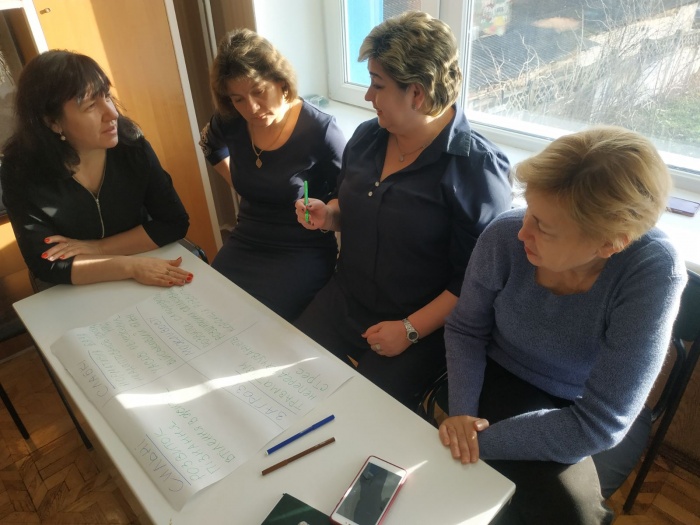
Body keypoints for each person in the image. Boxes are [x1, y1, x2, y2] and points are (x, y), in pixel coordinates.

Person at [439, 126, 687, 524]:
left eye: (544, 226)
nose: (522, 231)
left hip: (580, 404)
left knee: (573, 515)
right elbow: (466, 329)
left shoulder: (653, 273)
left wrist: (480, 443)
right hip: (501, 373)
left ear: (610, 244)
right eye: (528, 210)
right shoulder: (505, 235)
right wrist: (462, 415)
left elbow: (600, 422)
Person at [294, 11, 512, 408]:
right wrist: (330, 214)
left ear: (417, 94)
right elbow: (354, 206)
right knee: (293, 377)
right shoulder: (368, 137)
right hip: (346, 299)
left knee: (362, 413)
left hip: (419, 325)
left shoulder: (476, 169)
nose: (367, 96)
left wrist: (410, 330)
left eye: (377, 85)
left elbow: (476, 282)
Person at [1, 50, 191, 287]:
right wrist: (129, 267)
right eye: (91, 105)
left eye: (107, 96)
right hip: (74, 285)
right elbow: (45, 262)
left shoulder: (132, 146)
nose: (112, 114)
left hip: (142, 262)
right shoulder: (21, 171)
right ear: (53, 122)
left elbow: (174, 222)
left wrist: (98, 248)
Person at [200, 29, 346, 321]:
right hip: (246, 239)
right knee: (209, 310)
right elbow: (210, 146)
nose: (252, 108)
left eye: (258, 91)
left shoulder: (321, 130)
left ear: (281, 81)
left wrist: (328, 212)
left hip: (302, 249)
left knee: (260, 325)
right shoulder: (230, 120)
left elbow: (351, 193)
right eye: (238, 99)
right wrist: (241, 184)